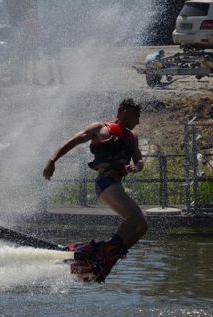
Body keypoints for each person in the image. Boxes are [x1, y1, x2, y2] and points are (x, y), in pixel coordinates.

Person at [42, 98, 148, 282]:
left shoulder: (132, 137)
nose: (138, 121)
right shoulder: (100, 128)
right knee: (136, 219)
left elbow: (139, 161)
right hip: (105, 183)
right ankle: (101, 251)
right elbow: (71, 143)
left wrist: (135, 167)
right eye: (136, 116)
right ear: (124, 111)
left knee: (142, 226)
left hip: (116, 184)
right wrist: (52, 161)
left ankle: (108, 259)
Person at [18, 8, 41, 85]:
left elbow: (22, 34)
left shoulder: (26, 23)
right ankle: (30, 78)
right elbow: (38, 34)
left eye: (32, 14)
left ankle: (27, 78)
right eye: (31, 14)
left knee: (28, 62)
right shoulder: (35, 23)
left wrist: (21, 43)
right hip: (30, 45)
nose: (32, 15)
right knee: (30, 62)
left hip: (29, 45)